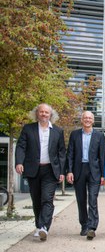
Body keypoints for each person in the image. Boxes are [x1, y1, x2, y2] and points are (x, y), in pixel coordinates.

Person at [15, 103, 66, 241]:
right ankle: (39, 225)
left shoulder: (58, 131)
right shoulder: (28, 129)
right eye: (41, 112)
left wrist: (62, 171)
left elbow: (62, 152)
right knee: (36, 200)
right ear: (37, 113)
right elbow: (21, 146)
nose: (44, 114)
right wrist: (19, 162)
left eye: (46, 112)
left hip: (50, 170)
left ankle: (44, 227)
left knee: (47, 199)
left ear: (51, 115)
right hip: (33, 169)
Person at [66, 111, 105, 240]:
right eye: (85, 118)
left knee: (93, 199)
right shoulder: (75, 134)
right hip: (79, 170)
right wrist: (69, 171)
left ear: (93, 120)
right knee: (81, 200)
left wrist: (103, 175)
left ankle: (92, 227)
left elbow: (102, 156)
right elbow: (70, 154)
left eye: (90, 118)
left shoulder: (99, 135)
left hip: (94, 171)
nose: (87, 120)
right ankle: (84, 225)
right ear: (82, 120)